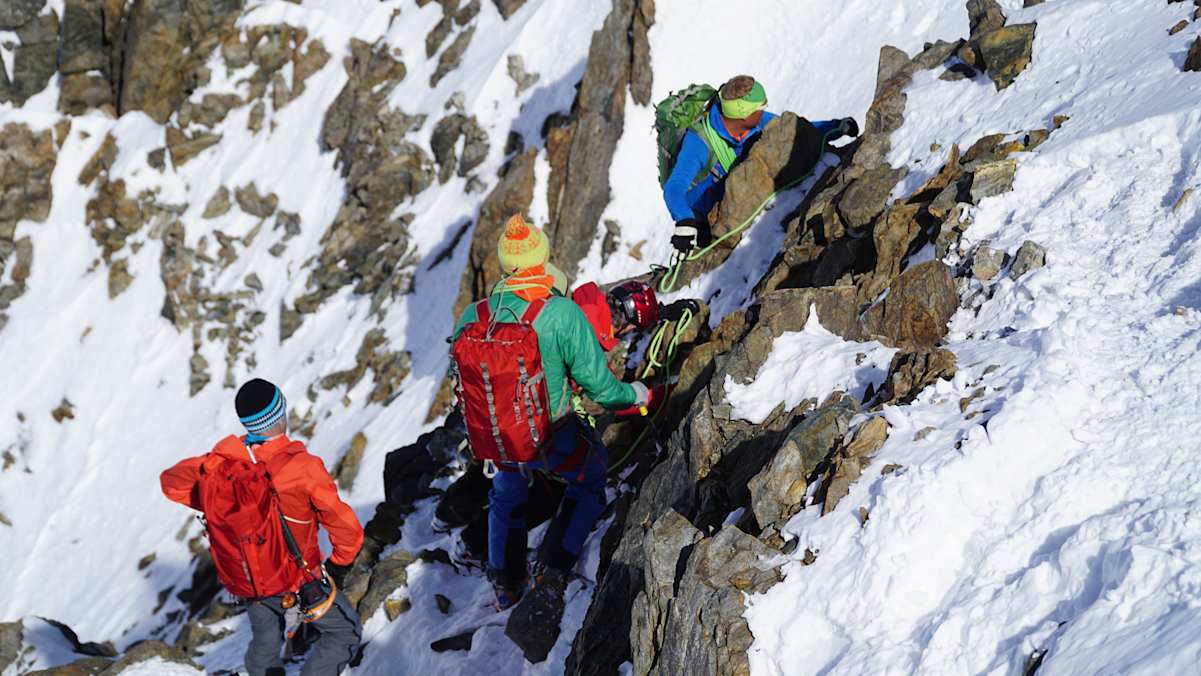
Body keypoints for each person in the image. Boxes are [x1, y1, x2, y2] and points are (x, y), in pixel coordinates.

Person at [451, 214, 651, 616]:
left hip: (501, 438)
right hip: (552, 433)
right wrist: (638, 392)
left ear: (506, 264)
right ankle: (553, 570)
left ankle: (506, 584)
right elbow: (602, 389)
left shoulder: (474, 317)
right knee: (590, 480)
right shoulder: (560, 314)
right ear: (541, 259)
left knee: (506, 497)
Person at [160, 379, 364, 676]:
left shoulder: (226, 470)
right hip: (300, 579)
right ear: (281, 413)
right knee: (345, 633)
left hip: (251, 581)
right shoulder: (304, 467)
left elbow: (171, 483)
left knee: (265, 641)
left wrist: (215, 466)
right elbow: (345, 527)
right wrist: (340, 563)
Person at [663, 74, 860, 253]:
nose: (764, 111)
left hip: (741, 196)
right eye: (761, 107)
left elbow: (795, 131)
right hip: (703, 219)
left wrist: (836, 127)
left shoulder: (755, 121)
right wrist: (685, 220)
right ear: (743, 113)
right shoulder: (699, 143)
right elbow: (674, 187)